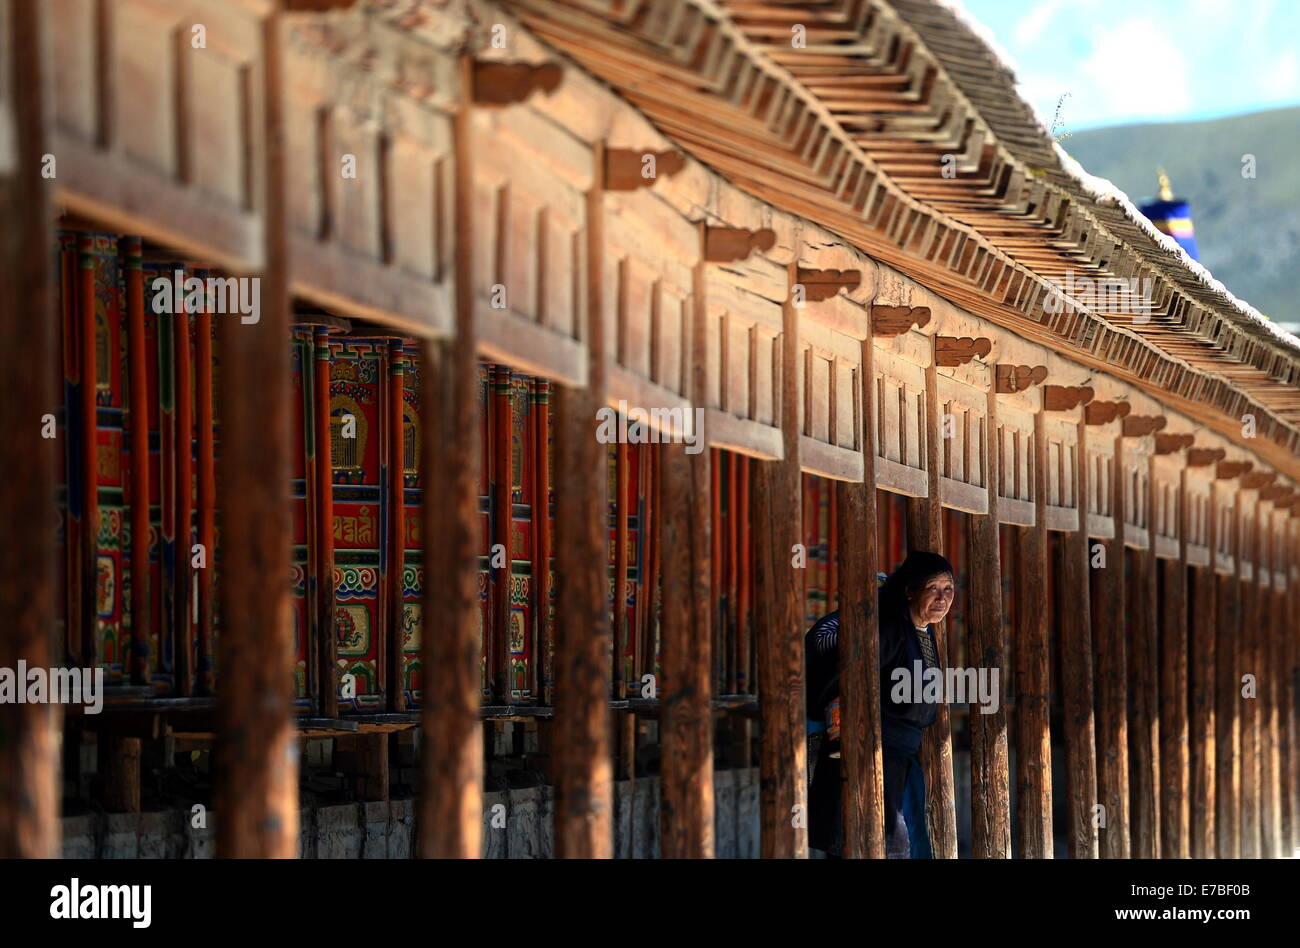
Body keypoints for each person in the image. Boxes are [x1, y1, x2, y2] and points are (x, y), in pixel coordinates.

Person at [805, 550, 956, 858]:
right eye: (932, 588)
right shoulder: (889, 629)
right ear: (910, 591)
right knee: (875, 841)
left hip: (903, 756)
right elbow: (845, 671)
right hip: (873, 752)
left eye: (948, 589)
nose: (942, 598)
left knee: (899, 841)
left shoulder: (923, 632)